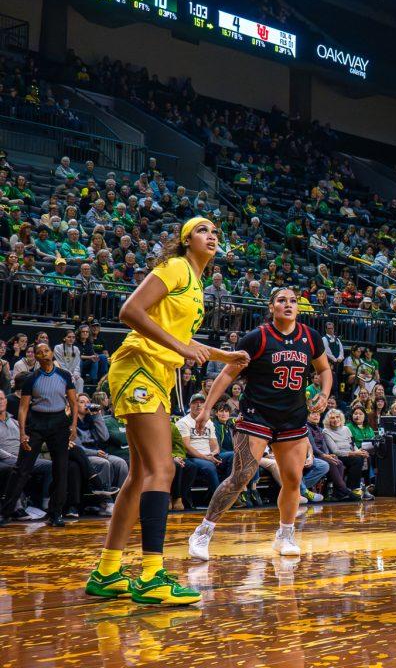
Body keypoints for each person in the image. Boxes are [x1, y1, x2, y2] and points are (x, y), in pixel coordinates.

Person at [85, 217, 248, 605]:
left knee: (141, 473)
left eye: (216, 233)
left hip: (156, 372)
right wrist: (179, 347)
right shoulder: (175, 267)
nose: (212, 236)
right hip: (137, 365)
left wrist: (224, 355)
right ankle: (152, 575)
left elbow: (176, 333)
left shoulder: (196, 283)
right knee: (164, 468)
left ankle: (107, 571)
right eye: (203, 229)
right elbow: (130, 311)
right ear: (185, 239)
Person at [186, 287, 334, 561]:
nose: (288, 305)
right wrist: (206, 408)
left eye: (293, 301)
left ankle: (285, 534)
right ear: (271, 307)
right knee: (241, 476)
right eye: (281, 300)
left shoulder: (310, 337)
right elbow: (228, 374)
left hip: (292, 418)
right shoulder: (257, 338)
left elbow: (324, 369)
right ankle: (203, 532)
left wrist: (324, 394)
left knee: (293, 480)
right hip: (257, 415)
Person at [0, 343, 77, 527]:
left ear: (51, 353)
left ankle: (55, 513)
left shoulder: (64, 375)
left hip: (59, 423)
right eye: (39, 352)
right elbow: (23, 408)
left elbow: (73, 402)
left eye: (46, 351)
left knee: (61, 469)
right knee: (21, 468)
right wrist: (22, 433)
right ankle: (6, 512)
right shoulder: (30, 378)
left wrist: (73, 426)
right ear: (35, 356)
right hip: (37, 423)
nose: (43, 354)